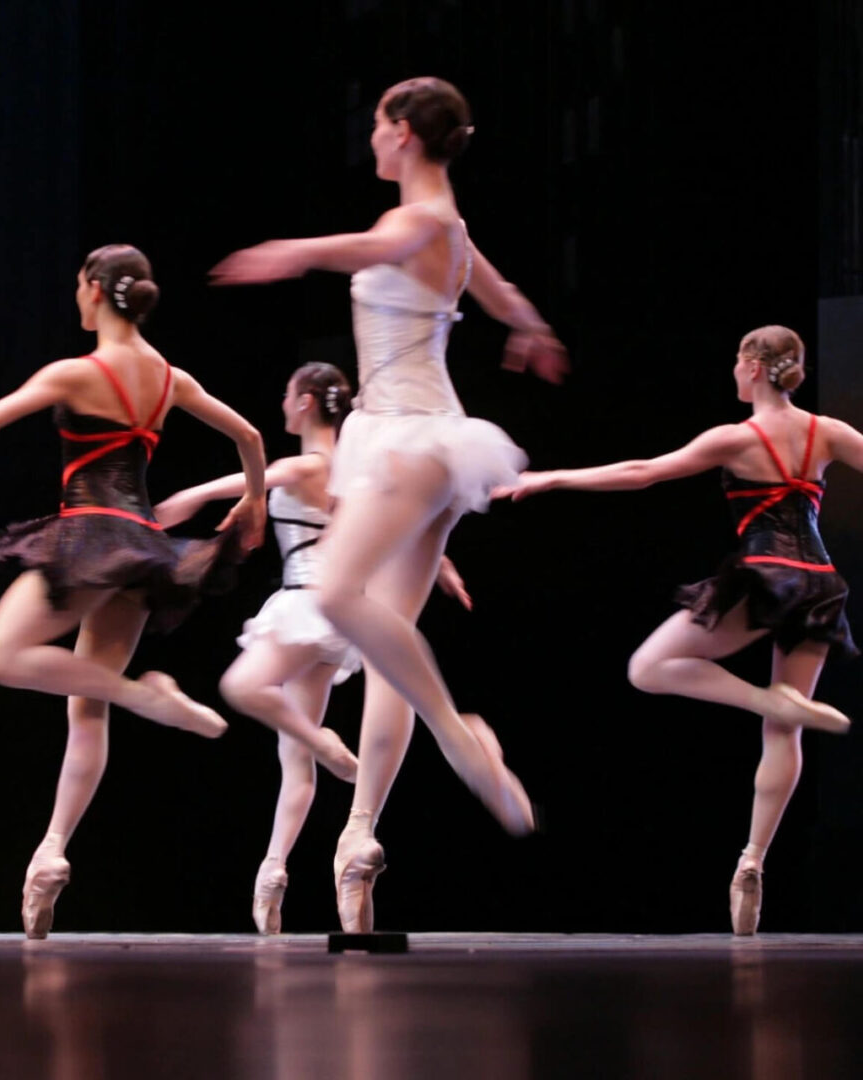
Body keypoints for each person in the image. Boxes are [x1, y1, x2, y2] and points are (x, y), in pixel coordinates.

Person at [503, 324, 863, 934]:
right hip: (820, 581)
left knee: (647, 669)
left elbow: (643, 471)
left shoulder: (735, 437)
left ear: (752, 366)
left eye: (735, 361)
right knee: (785, 731)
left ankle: (763, 702)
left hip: (764, 574)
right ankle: (752, 861)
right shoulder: (826, 432)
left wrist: (552, 477)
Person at [211, 77, 566, 931]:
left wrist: (290, 252)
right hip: (430, 439)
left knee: (335, 596)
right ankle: (362, 829)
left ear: (403, 133)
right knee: (386, 647)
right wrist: (531, 329)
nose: (371, 140)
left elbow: (370, 248)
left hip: (408, 439)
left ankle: (460, 739)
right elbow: (501, 293)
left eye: (377, 126)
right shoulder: (457, 230)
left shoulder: (420, 221)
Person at [0, 245, 267, 937]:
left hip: (91, 537)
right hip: (144, 548)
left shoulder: (79, 371)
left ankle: (152, 698)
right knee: (86, 706)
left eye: (76, 288)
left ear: (93, 290)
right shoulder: (170, 378)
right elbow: (251, 435)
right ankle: (52, 851)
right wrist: (253, 503)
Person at [157, 360, 478, 932]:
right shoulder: (356, 475)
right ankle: (275, 873)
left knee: (246, 689)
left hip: (308, 605)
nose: (282, 401)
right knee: (292, 764)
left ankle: (326, 748)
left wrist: (191, 496)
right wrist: (443, 564)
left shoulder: (309, 462)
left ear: (305, 402)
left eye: (286, 392)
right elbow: (394, 524)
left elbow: (257, 478)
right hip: (337, 624)